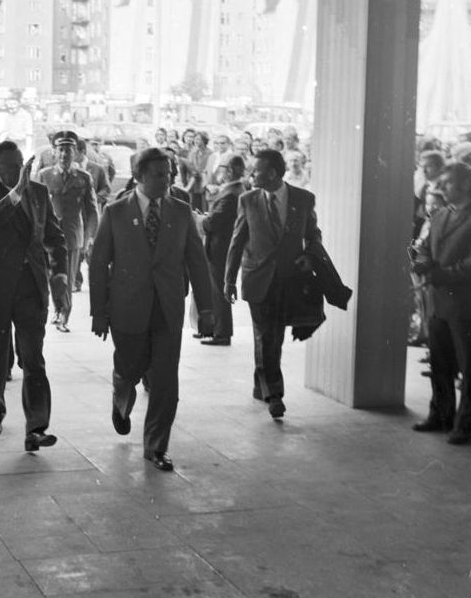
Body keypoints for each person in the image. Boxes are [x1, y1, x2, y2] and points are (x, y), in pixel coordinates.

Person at [89, 146, 213, 471]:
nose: (166, 179)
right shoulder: (115, 212)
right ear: (139, 176)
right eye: (159, 174)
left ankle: (156, 447)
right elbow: (99, 263)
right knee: (130, 368)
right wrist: (98, 312)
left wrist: (208, 310)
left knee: (165, 382)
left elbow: (197, 263)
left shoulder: (181, 211)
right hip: (127, 308)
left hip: (167, 308)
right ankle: (121, 394)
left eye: (169, 174)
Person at [0, 139, 69, 451]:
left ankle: (36, 427)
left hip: (29, 287)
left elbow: (54, 236)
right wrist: (16, 191)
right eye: (14, 166)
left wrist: (59, 272)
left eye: (23, 164)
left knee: (33, 356)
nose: (22, 170)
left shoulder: (39, 192)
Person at [224, 148, 327, 421]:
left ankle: (261, 383)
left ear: (272, 173)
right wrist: (228, 279)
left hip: (288, 280)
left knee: (274, 337)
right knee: (266, 336)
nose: (250, 174)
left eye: (255, 170)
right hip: (257, 278)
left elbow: (313, 235)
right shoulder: (247, 200)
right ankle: (275, 394)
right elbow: (237, 240)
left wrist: (309, 256)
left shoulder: (303, 199)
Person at [410, 161, 471, 444]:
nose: (441, 188)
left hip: (465, 305)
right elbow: (424, 247)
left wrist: (437, 273)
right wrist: (423, 264)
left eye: (446, 183)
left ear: (465, 185)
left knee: (469, 369)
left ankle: (465, 424)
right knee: (440, 364)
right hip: (440, 303)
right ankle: (441, 414)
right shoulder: (440, 215)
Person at [37, 131, 98, 331]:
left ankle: (64, 314)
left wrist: (89, 237)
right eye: (61, 149)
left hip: (72, 236)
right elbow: (36, 207)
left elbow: (91, 211)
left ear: (75, 152)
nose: (64, 154)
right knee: (53, 276)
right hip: (49, 235)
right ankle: (58, 307)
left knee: (68, 277)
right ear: (54, 152)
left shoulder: (83, 177)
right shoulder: (44, 175)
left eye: (68, 150)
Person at [200, 152, 245, 346]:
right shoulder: (231, 190)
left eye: (223, 168)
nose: (221, 171)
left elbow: (213, 223)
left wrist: (197, 218)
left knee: (219, 291)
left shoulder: (231, 194)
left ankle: (222, 332)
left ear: (231, 171)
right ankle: (214, 328)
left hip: (221, 247)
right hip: (220, 246)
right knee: (215, 289)